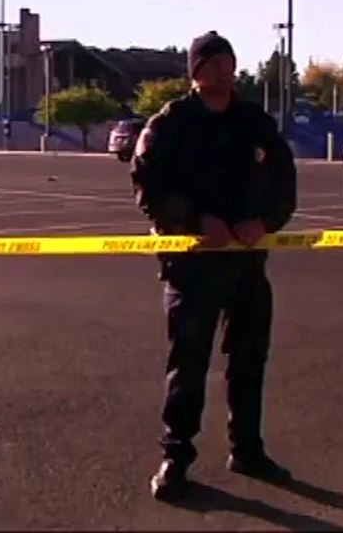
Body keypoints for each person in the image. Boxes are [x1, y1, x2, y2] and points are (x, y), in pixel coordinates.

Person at [130, 30, 298, 501]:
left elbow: (285, 180)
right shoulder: (172, 124)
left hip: (247, 263)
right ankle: (176, 456)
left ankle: (247, 448)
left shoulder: (254, 122)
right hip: (192, 266)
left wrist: (264, 221)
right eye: (214, 64)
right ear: (196, 73)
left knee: (248, 361)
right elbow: (147, 186)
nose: (224, 72)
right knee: (189, 364)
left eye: (229, 63)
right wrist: (195, 219)